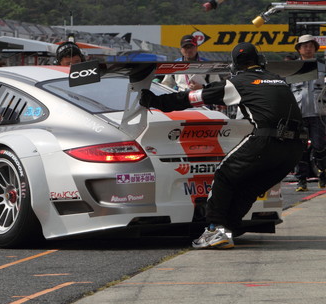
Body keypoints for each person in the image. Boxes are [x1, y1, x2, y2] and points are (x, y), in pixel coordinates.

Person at [139, 42, 304, 249]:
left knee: (225, 174)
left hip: (267, 140)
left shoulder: (238, 82)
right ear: (260, 61)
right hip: (295, 148)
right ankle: (227, 230)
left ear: (235, 65)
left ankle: (214, 229)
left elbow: (192, 98)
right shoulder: (278, 80)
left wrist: (156, 101)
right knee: (247, 189)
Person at [290, 34, 326, 191]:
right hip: (299, 114)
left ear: (315, 49)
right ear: (299, 49)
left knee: (320, 147)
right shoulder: (292, 69)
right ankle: (301, 180)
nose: (308, 48)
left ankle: (323, 175)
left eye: (311, 46)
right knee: (300, 148)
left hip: (319, 114)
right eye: (305, 46)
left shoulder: (323, 67)